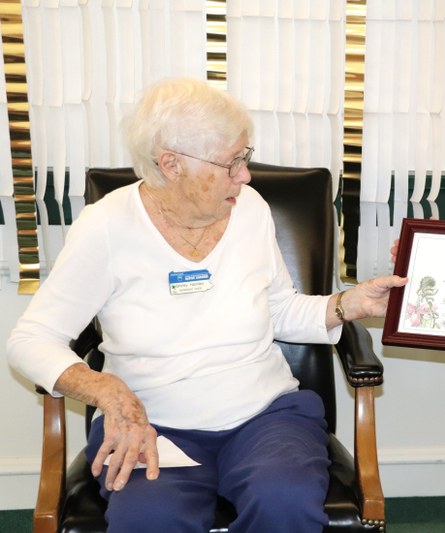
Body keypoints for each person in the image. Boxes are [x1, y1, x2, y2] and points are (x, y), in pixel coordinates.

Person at [6, 77, 406, 533]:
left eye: (245, 157)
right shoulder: (106, 227)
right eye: (232, 162)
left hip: (263, 414)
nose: (246, 175)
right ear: (171, 164)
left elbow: (278, 309)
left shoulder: (250, 208)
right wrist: (108, 392)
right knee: (149, 520)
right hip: (152, 422)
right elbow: (31, 340)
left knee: (286, 502)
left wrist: (349, 304)